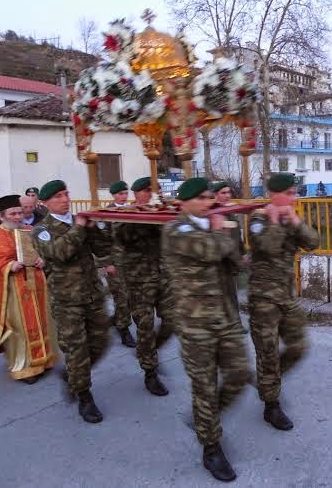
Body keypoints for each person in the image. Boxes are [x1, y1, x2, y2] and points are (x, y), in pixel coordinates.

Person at [161, 178, 249, 482]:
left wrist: (223, 226)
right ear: (184, 203)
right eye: (200, 197)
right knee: (205, 385)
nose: (208, 201)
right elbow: (213, 251)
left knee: (238, 374)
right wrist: (222, 225)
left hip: (224, 315)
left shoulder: (217, 221)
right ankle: (211, 447)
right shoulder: (176, 230)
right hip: (195, 321)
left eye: (210, 196)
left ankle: (203, 416)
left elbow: (236, 259)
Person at [32, 180, 111, 423]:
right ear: (45, 203)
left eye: (66, 194)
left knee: (100, 342)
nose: (65, 199)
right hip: (67, 300)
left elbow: (102, 249)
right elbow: (59, 253)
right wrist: (78, 228)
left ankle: (73, 374)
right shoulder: (41, 230)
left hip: (93, 294)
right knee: (77, 350)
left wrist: (94, 226)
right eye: (58, 196)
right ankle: (84, 396)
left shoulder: (80, 221)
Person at [247, 172, 320, 431]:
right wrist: (277, 221)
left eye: (294, 192)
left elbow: (313, 242)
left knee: (298, 346)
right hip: (263, 297)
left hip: (287, 295)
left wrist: (295, 221)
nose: (294, 197)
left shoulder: (290, 216)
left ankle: (268, 379)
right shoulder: (257, 219)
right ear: (273, 194)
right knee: (266, 352)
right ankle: (271, 405)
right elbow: (267, 246)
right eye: (288, 193)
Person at [0, 195, 57, 383]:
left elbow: (44, 250)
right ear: (2, 216)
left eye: (20, 212)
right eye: (13, 213)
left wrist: (42, 259)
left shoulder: (30, 230)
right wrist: (8, 267)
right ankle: (25, 367)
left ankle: (43, 360)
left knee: (42, 321)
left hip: (36, 284)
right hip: (13, 289)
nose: (18, 216)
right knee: (20, 328)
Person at [112, 177, 173, 396]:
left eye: (153, 191)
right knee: (145, 327)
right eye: (146, 191)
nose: (150, 194)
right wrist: (138, 214)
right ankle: (150, 373)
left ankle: (148, 351)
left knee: (172, 321)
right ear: (137, 193)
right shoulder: (125, 214)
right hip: (139, 280)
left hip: (163, 275)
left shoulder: (160, 210)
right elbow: (122, 238)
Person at [98, 181, 135, 348]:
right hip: (115, 262)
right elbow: (102, 241)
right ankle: (124, 330)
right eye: (120, 194)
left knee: (130, 298)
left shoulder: (132, 211)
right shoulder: (107, 212)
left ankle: (118, 320)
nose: (124, 196)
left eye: (125, 193)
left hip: (132, 262)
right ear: (113, 195)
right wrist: (107, 263)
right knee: (121, 297)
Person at [212, 181, 248, 334]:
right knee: (223, 295)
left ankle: (233, 324)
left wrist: (243, 252)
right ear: (215, 195)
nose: (227, 195)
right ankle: (229, 325)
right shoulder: (213, 213)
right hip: (220, 261)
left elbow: (237, 236)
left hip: (232, 259)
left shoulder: (230, 211)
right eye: (223, 193)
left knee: (231, 293)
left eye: (228, 192)